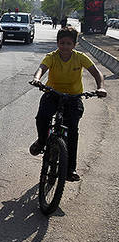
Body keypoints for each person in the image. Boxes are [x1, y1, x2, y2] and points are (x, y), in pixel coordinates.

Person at [29, 26, 106, 181]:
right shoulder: (52, 56)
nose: (65, 46)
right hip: (52, 94)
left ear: (74, 44)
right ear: (58, 43)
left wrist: (101, 87)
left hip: (73, 97)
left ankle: (70, 169)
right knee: (42, 117)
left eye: (68, 43)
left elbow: (97, 73)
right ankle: (42, 141)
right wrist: (37, 79)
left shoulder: (80, 57)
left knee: (72, 132)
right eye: (62, 43)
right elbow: (41, 68)